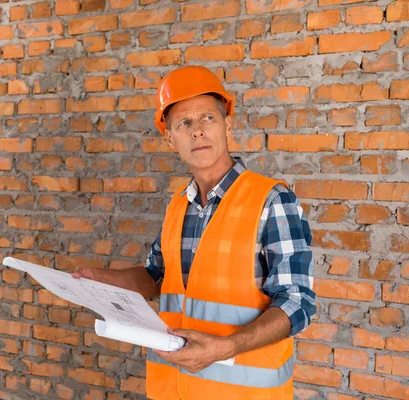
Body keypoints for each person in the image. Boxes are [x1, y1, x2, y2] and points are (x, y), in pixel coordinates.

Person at [73, 65, 315, 399]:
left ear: (227, 124)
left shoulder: (271, 200)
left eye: (208, 119)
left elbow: (297, 302)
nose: (197, 131)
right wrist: (101, 279)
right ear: (170, 137)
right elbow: (156, 277)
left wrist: (227, 347)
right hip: (174, 390)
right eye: (185, 123)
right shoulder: (177, 206)